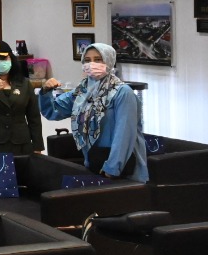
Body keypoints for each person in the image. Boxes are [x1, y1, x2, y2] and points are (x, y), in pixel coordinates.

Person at [39, 42, 147, 181]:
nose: (92, 64)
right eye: (87, 60)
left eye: (98, 59)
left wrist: (112, 168)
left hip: (118, 167)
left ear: (109, 61)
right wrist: (46, 91)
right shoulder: (82, 91)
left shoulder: (122, 92)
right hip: (93, 160)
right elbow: (53, 111)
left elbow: (124, 133)